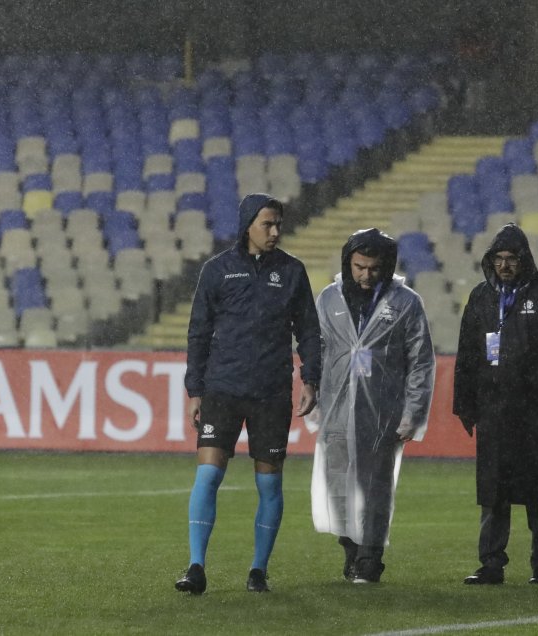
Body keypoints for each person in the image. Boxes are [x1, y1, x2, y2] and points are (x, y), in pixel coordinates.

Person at [175, 193, 321, 595]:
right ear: (247, 226)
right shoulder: (217, 271)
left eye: (278, 225)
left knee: (270, 486)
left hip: (272, 392)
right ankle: (196, 567)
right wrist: (195, 390)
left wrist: (310, 378)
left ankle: (258, 570)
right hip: (222, 388)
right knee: (207, 475)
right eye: (267, 225)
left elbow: (308, 329)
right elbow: (198, 332)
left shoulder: (292, 272)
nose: (274, 232)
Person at [453, 222, 538, 586]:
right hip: (494, 410)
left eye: (511, 258)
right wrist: (464, 403)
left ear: (524, 259)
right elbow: (467, 353)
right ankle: (491, 565)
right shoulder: (481, 297)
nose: (504, 265)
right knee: (493, 492)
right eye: (498, 259)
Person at [308, 228, 435, 583]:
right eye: (359, 266)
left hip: (383, 409)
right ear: (348, 263)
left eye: (373, 268)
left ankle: (370, 558)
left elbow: (420, 360)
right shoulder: (329, 298)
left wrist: (414, 412)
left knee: (375, 486)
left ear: (387, 266)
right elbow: (314, 351)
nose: (365, 275)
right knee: (337, 485)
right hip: (335, 407)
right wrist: (312, 393)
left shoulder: (406, 302)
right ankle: (350, 549)